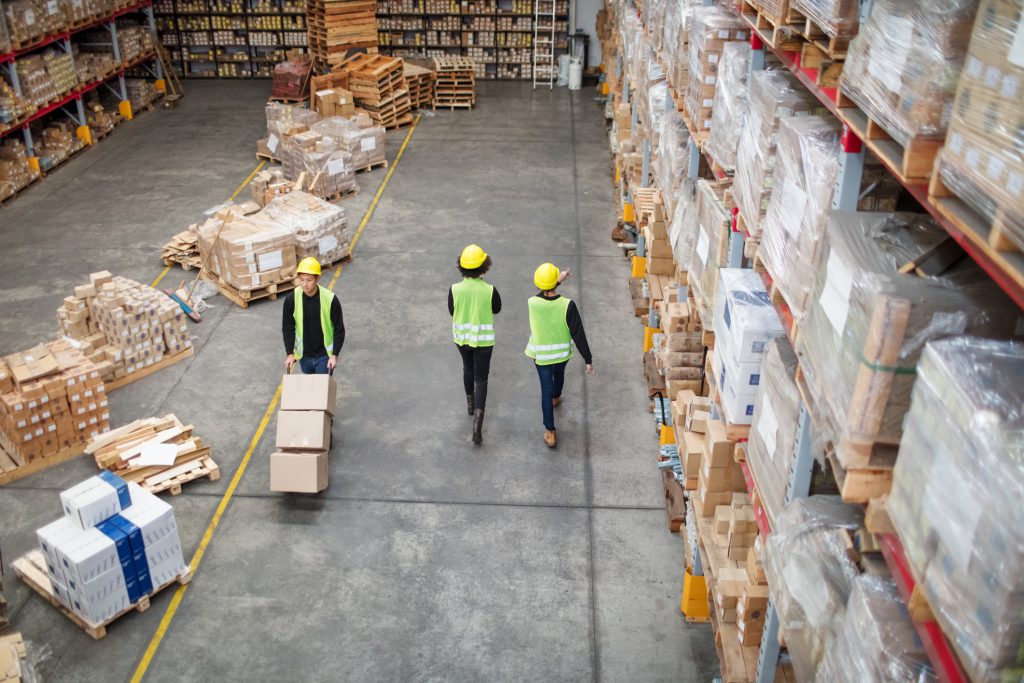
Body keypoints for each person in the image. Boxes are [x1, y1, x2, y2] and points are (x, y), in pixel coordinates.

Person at [525, 263, 593, 448]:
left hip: (541, 355)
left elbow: (543, 292)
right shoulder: (567, 305)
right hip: (561, 354)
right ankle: (557, 396)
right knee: (559, 374)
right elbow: (578, 333)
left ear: (538, 284)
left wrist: (555, 280)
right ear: (555, 283)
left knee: (544, 391)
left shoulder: (533, 303)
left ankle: (550, 431)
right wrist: (588, 358)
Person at [448, 244, 501, 445]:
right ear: (484, 266)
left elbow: (452, 310)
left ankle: (470, 405)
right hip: (484, 341)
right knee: (482, 377)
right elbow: (497, 308)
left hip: (461, 338)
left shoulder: (454, 289)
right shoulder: (489, 290)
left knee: (467, 368)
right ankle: (478, 420)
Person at [283, 257, 345, 375]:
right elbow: (288, 328)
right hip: (304, 356)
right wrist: (290, 354)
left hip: (324, 356)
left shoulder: (330, 299)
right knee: (309, 390)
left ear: (318, 278)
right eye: (301, 280)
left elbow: (339, 329)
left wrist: (334, 355)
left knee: (321, 391)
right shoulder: (291, 299)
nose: (304, 284)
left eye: (309, 280)